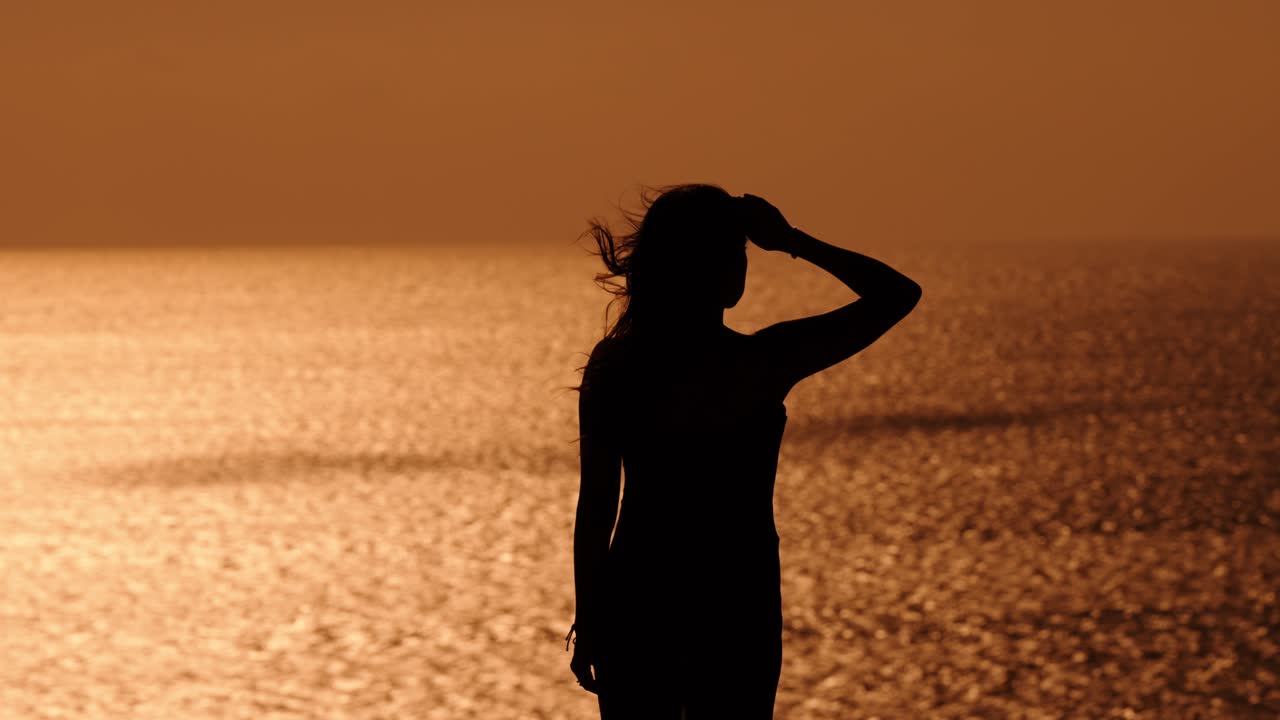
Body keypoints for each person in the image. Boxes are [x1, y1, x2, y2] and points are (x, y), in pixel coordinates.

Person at [567, 184, 921, 719]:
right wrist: (792, 241)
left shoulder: (618, 363)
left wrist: (590, 616)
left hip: (639, 593)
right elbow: (897, 294)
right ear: (708, 269)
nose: (743, 268)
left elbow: (597, 507)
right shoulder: (760, 364)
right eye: (735, 254)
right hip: (736, 598)